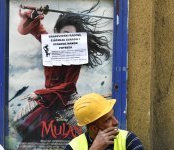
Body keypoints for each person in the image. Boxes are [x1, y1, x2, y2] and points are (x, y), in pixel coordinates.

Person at [14, 2, 111, 141]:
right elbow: (25, 30)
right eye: (65, 34)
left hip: (65, 97)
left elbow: (69, 86)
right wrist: (34, 15)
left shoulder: (76, 57)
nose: (69, 39)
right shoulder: (49, 44)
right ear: (57, 33)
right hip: (46, 98)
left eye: (73, 35)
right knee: (21, 122)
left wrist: (40, 93)